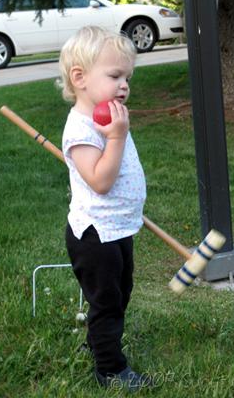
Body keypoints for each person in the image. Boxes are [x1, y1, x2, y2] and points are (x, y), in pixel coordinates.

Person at [58, 26, 149, 392]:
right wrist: (116, 136)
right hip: (95, 235)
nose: (124, 84)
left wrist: (115, 132)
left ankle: (99, 342)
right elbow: (100, 181)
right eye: (115, 75)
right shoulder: (80, 129)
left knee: (120, 292)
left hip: (118, 228)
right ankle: (110, 369)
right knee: (107, 301)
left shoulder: (108, 119)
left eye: (127, 76)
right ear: (79, 78)